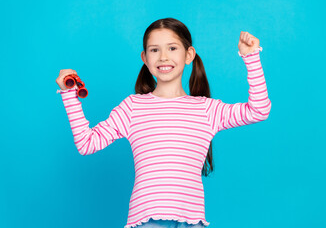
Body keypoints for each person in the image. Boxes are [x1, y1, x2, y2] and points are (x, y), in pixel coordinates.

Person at [56, 17, 271, 228]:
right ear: (145, 58)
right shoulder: (132, 107)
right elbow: (87, 143)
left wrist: (251, 58)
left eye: (172, 48)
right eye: (154, 50)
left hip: (192, 221)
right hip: (147, 220)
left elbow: (259, 110)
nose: (163, 57)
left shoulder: (207, 110)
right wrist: (69, 95)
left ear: (189, 55)